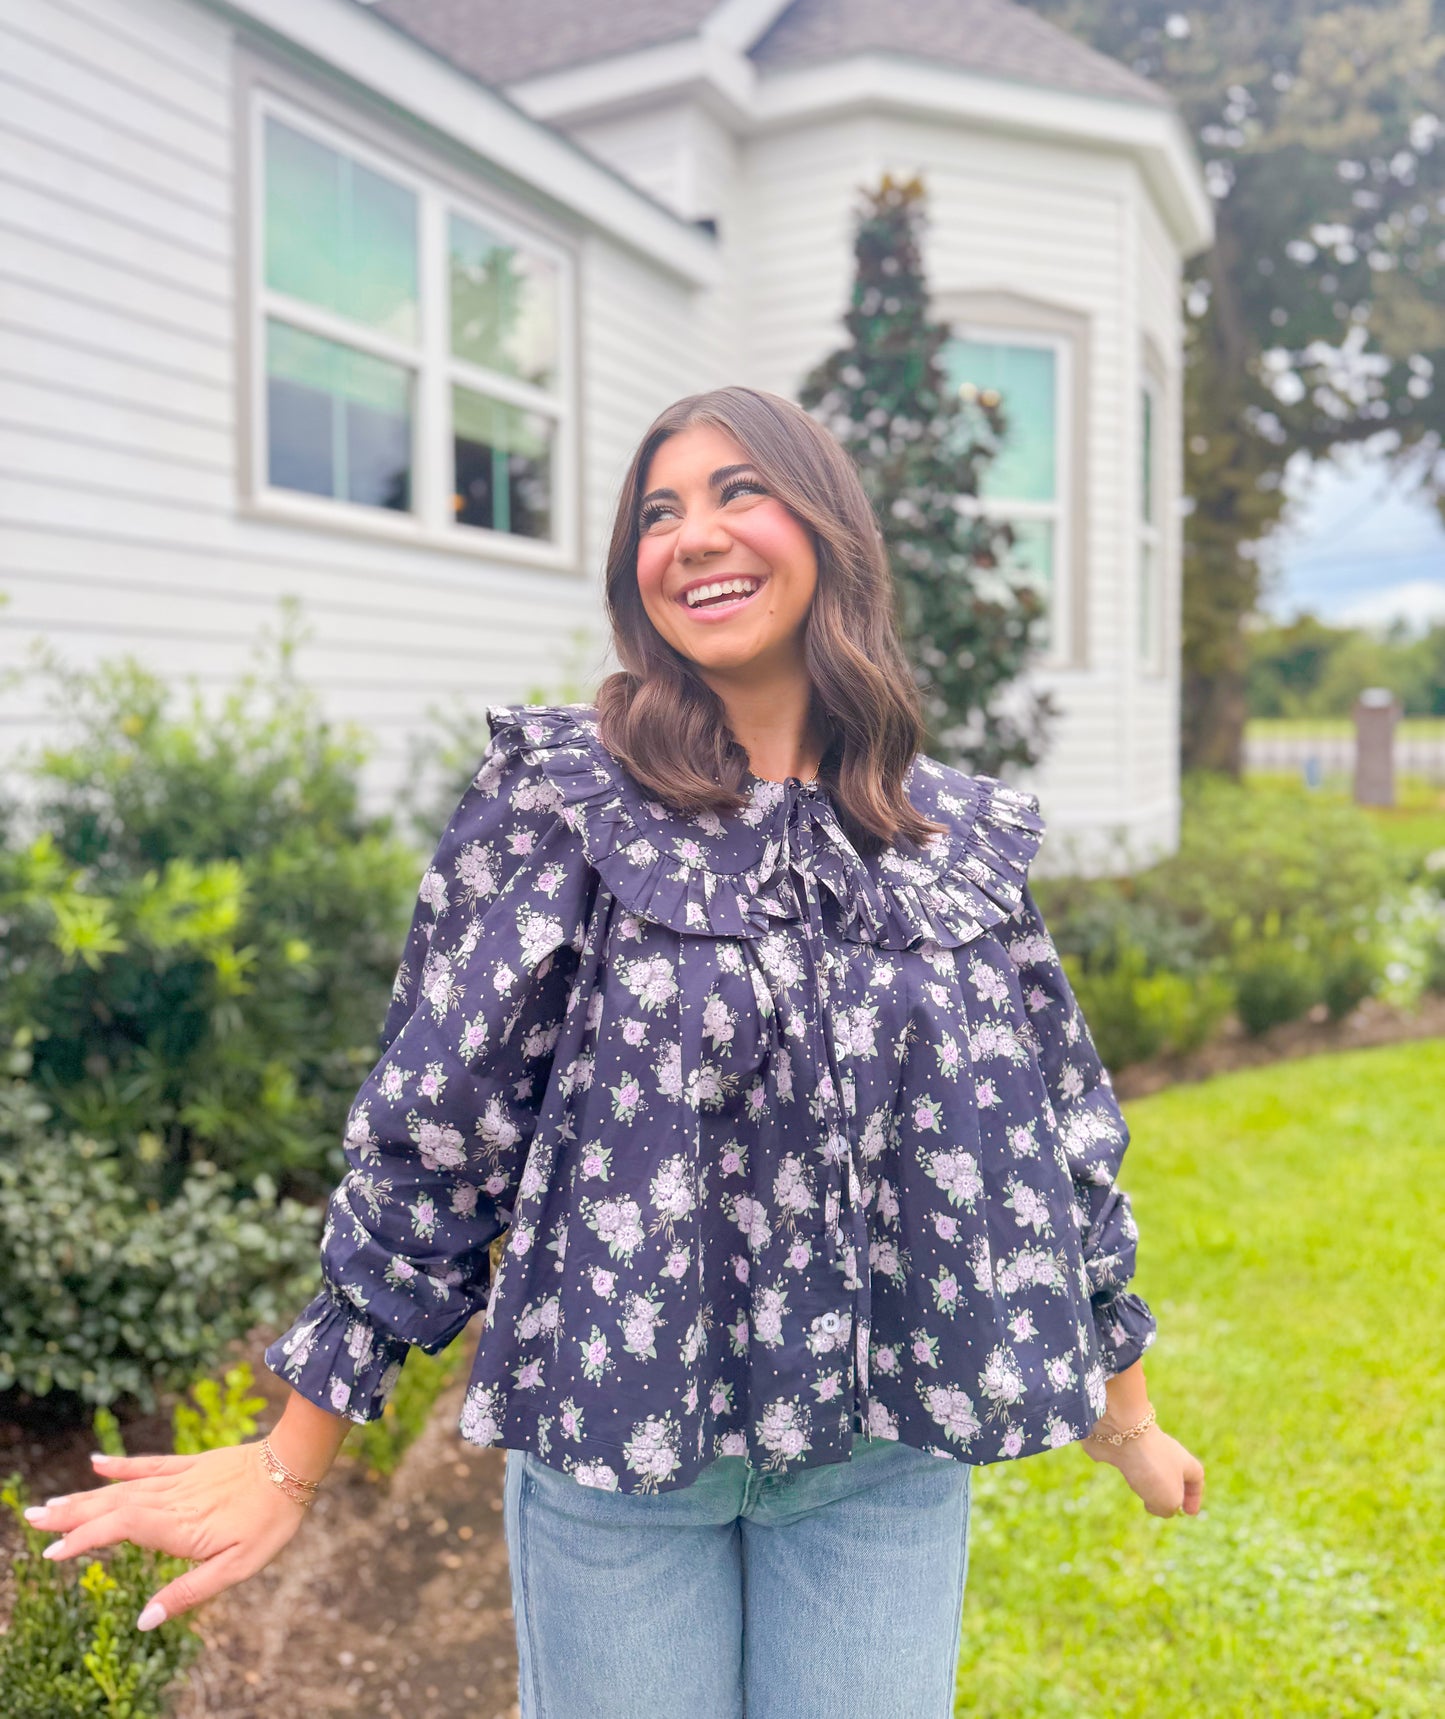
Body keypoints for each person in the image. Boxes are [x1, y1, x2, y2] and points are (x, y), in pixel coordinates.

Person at [26, 387, 1204, 1717]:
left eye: (738, 492)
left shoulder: (945, 843)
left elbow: (1055, 1140)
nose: (692, 534)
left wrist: (1127, 1414)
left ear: (829, 530)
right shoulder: (564, 804)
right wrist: (291, 1458)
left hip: (881, 1461)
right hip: (618, 1452)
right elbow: (439, 1128)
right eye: (658, 512)